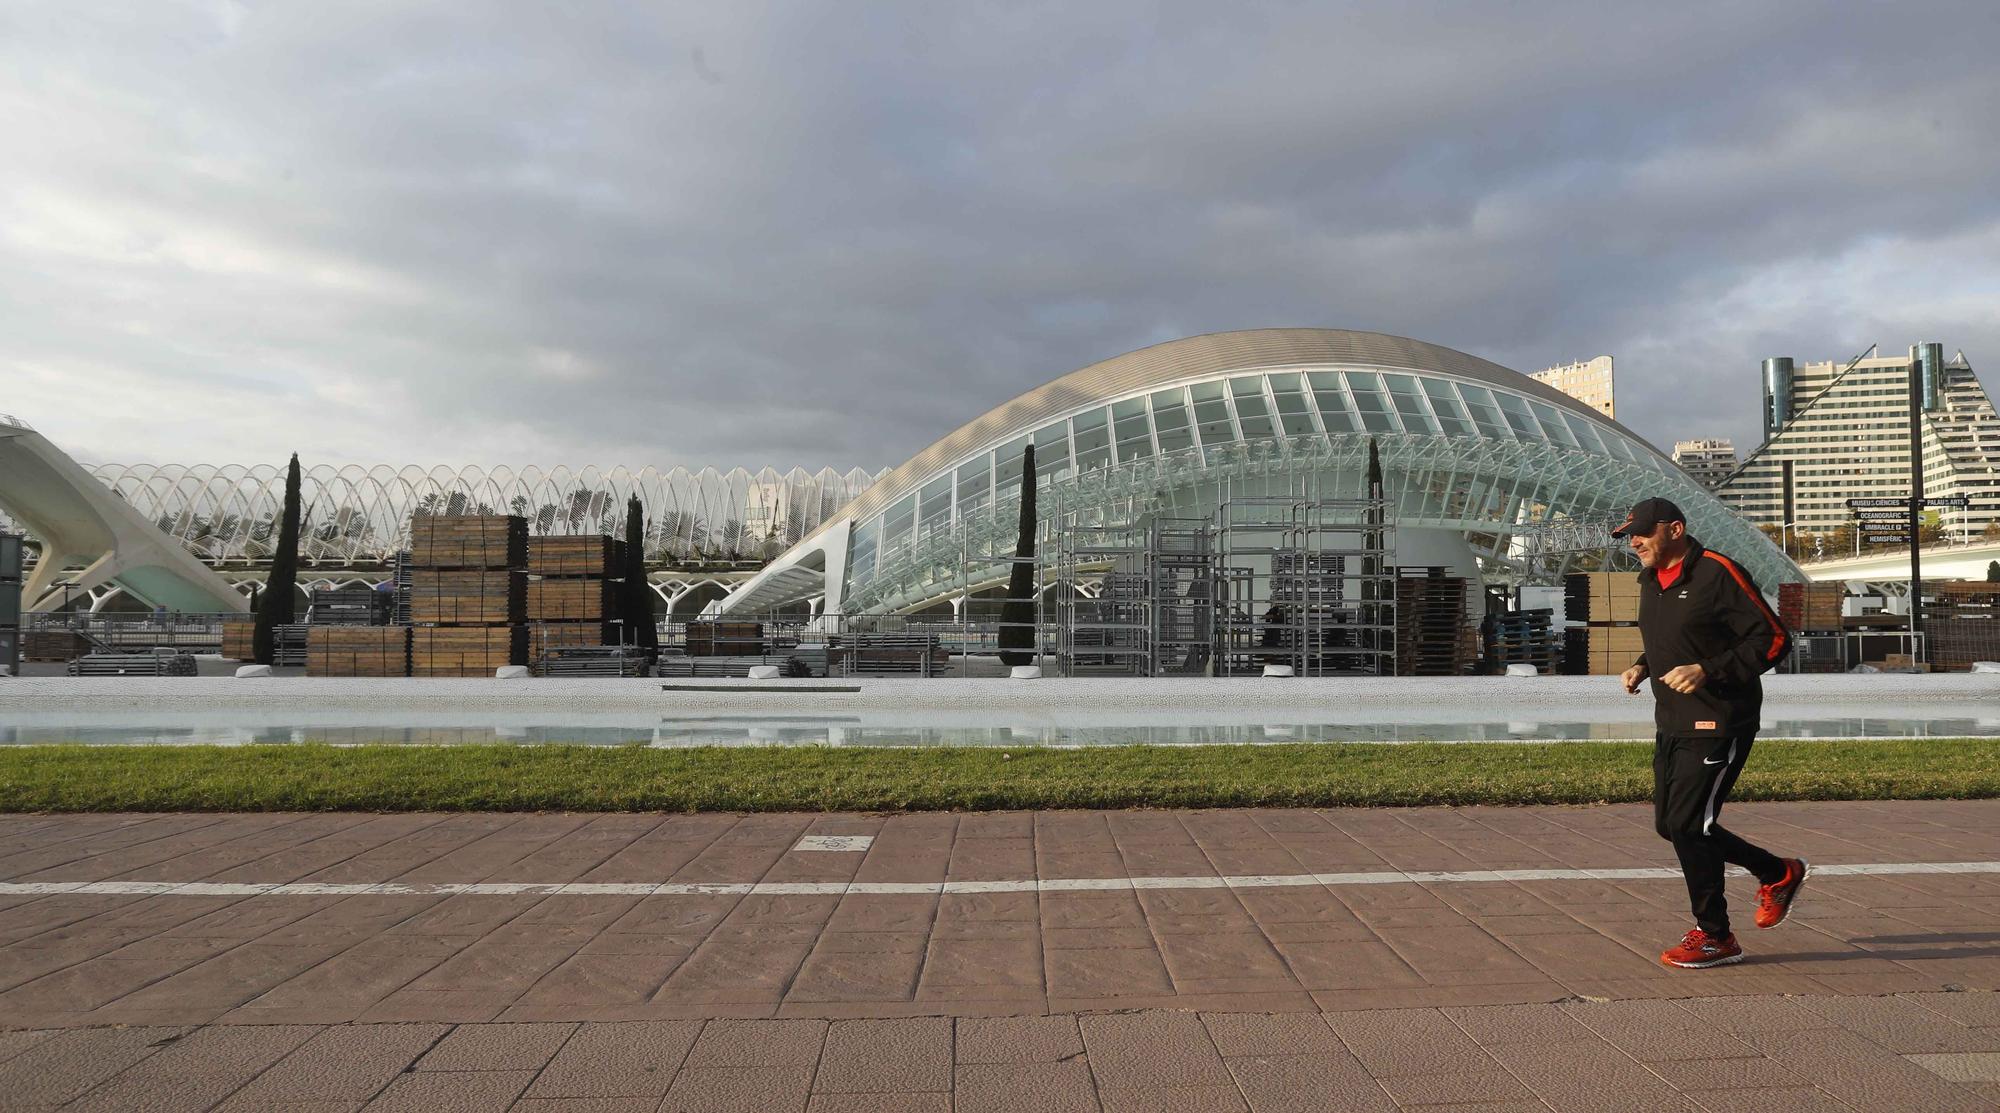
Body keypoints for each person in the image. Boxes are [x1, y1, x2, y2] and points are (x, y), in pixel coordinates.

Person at [1613, 498, 1810, 968]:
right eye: (1629, 536)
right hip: (1673, 718)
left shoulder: (1717, 572)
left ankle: (1715, 935)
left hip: (1721, 718)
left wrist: (1707, 670)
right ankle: (1777, 872)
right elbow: (1677, 637)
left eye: (1641, 532)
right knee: (1672, 825)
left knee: (1687, 824)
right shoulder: (1650, 580)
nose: (1634, 542)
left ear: (1675, 529)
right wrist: (1644, 665)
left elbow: (1774, 637)